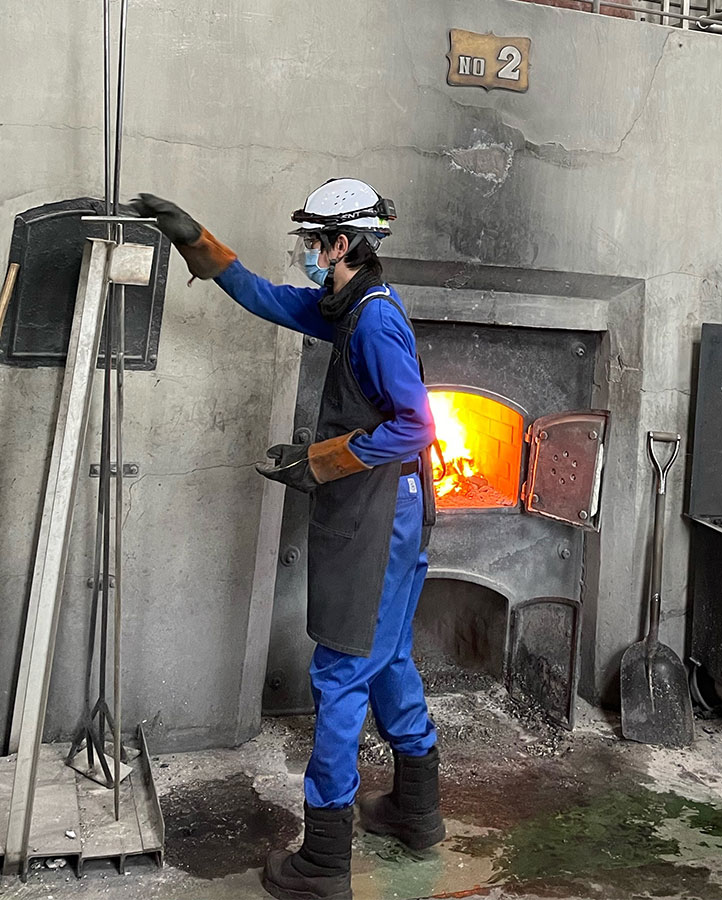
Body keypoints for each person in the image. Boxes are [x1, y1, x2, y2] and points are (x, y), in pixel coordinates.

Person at [132, 179, 443, 900]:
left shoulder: (373, 322)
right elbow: (269, 299)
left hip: (381, 518)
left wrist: (323, 460)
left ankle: (325, 861)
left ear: (341, 245)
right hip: (391, 510)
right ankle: (416, 810)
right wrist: (196, 241)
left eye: (313, 241)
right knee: (389, 655)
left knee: (341, 672)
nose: (306, 251)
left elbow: (417, 425)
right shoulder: (348, 305)